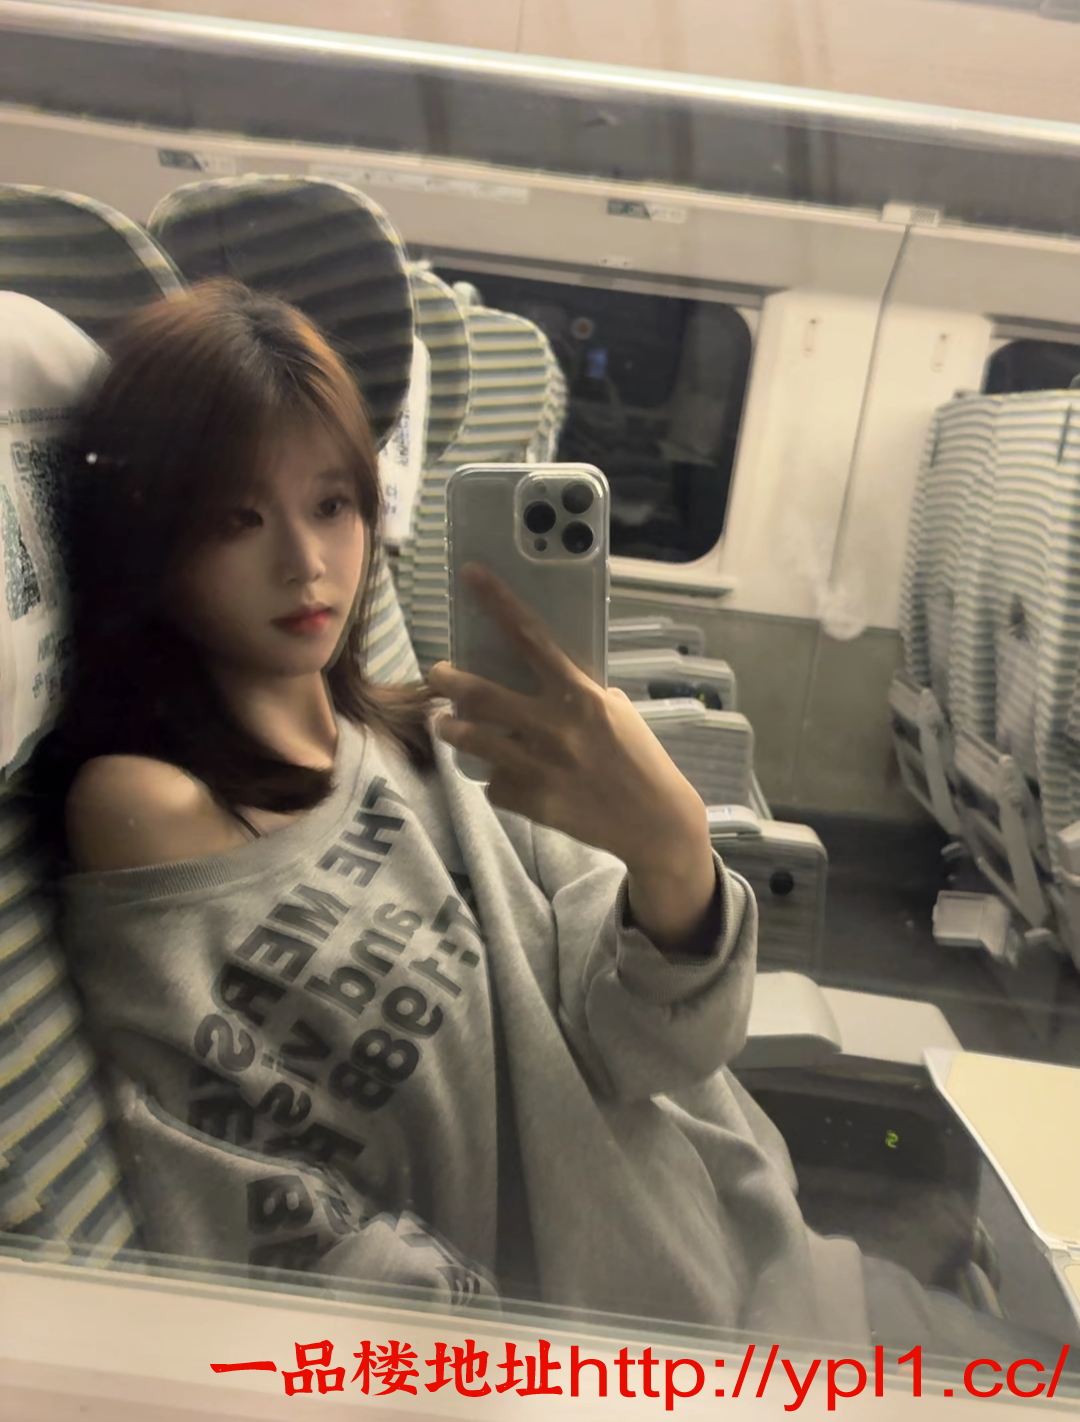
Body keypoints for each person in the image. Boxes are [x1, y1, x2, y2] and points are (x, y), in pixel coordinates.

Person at [33, 279, 1074, 1363]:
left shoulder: (438, 739)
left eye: (332, 504)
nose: (306, 561)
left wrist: (671, 854)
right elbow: (233, 1181)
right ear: (150, 539)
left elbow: (655, 1040)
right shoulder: (151, 808)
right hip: (599, 1356)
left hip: (740, 1259)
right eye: (237, 519)